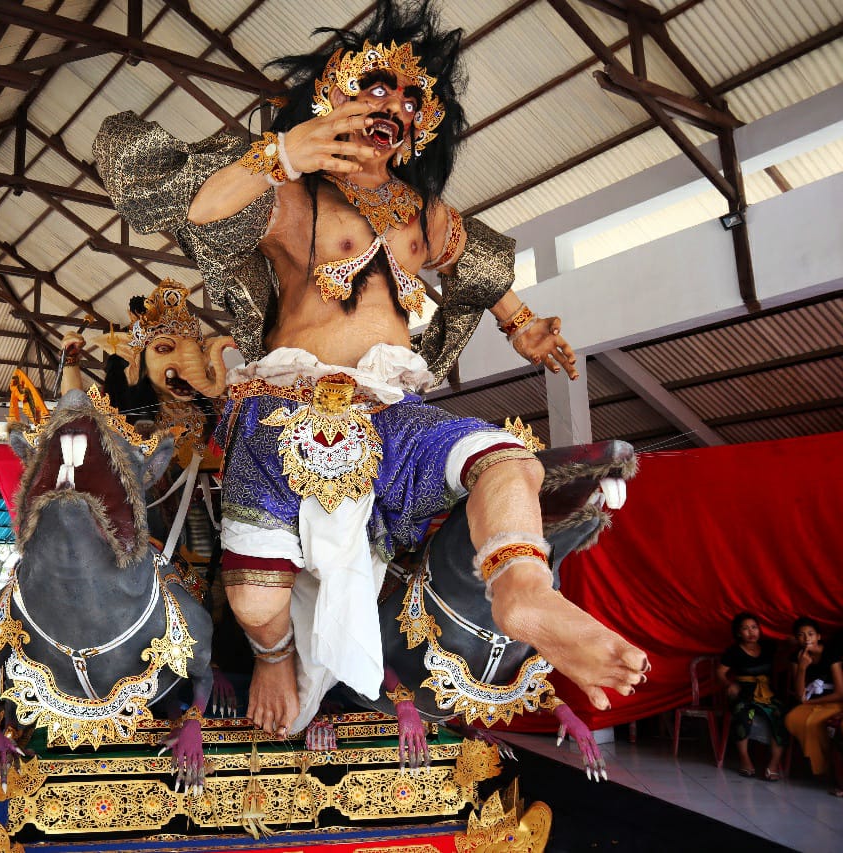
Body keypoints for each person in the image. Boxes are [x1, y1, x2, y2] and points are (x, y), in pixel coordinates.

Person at [93, 0, 647, 736]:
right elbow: (200, 209)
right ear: (332, 95)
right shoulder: (292, 195)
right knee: (255, 599)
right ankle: (272, 656)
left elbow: (479, 265)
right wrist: (281, 152)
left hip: (391, 414)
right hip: (284, 411)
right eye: (377, 87)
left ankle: (523, 590)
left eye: (412, 98)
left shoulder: (425, 213)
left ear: (426, 123)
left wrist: (521, 323)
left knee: (507, 460)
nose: (395, 106)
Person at [717, 612, 788, 779]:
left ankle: (773, 764)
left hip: (767, 693)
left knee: (781, 715)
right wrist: (729, 684)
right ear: (738, 633)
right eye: (745, 628)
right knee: (742, 715)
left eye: (754, 627)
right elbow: (720, 672)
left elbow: (787, 647)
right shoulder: (733, 651)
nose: (751, 632)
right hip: (743, 694)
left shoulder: (768, 646)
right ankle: (745, 760)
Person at [785, 616, 843, 791]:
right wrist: (803, 667)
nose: (806, 639)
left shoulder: (831, 654)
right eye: (801, 635)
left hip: (833, 702)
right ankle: (821, 766)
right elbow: (799, 694)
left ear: (818, 636)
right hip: (810, 703)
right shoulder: (797, 657)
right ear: (796, 638)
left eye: (810, 634)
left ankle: (827, 768)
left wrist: (811, 702)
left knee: (812, 722)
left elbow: (840, 692)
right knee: (792, 719)